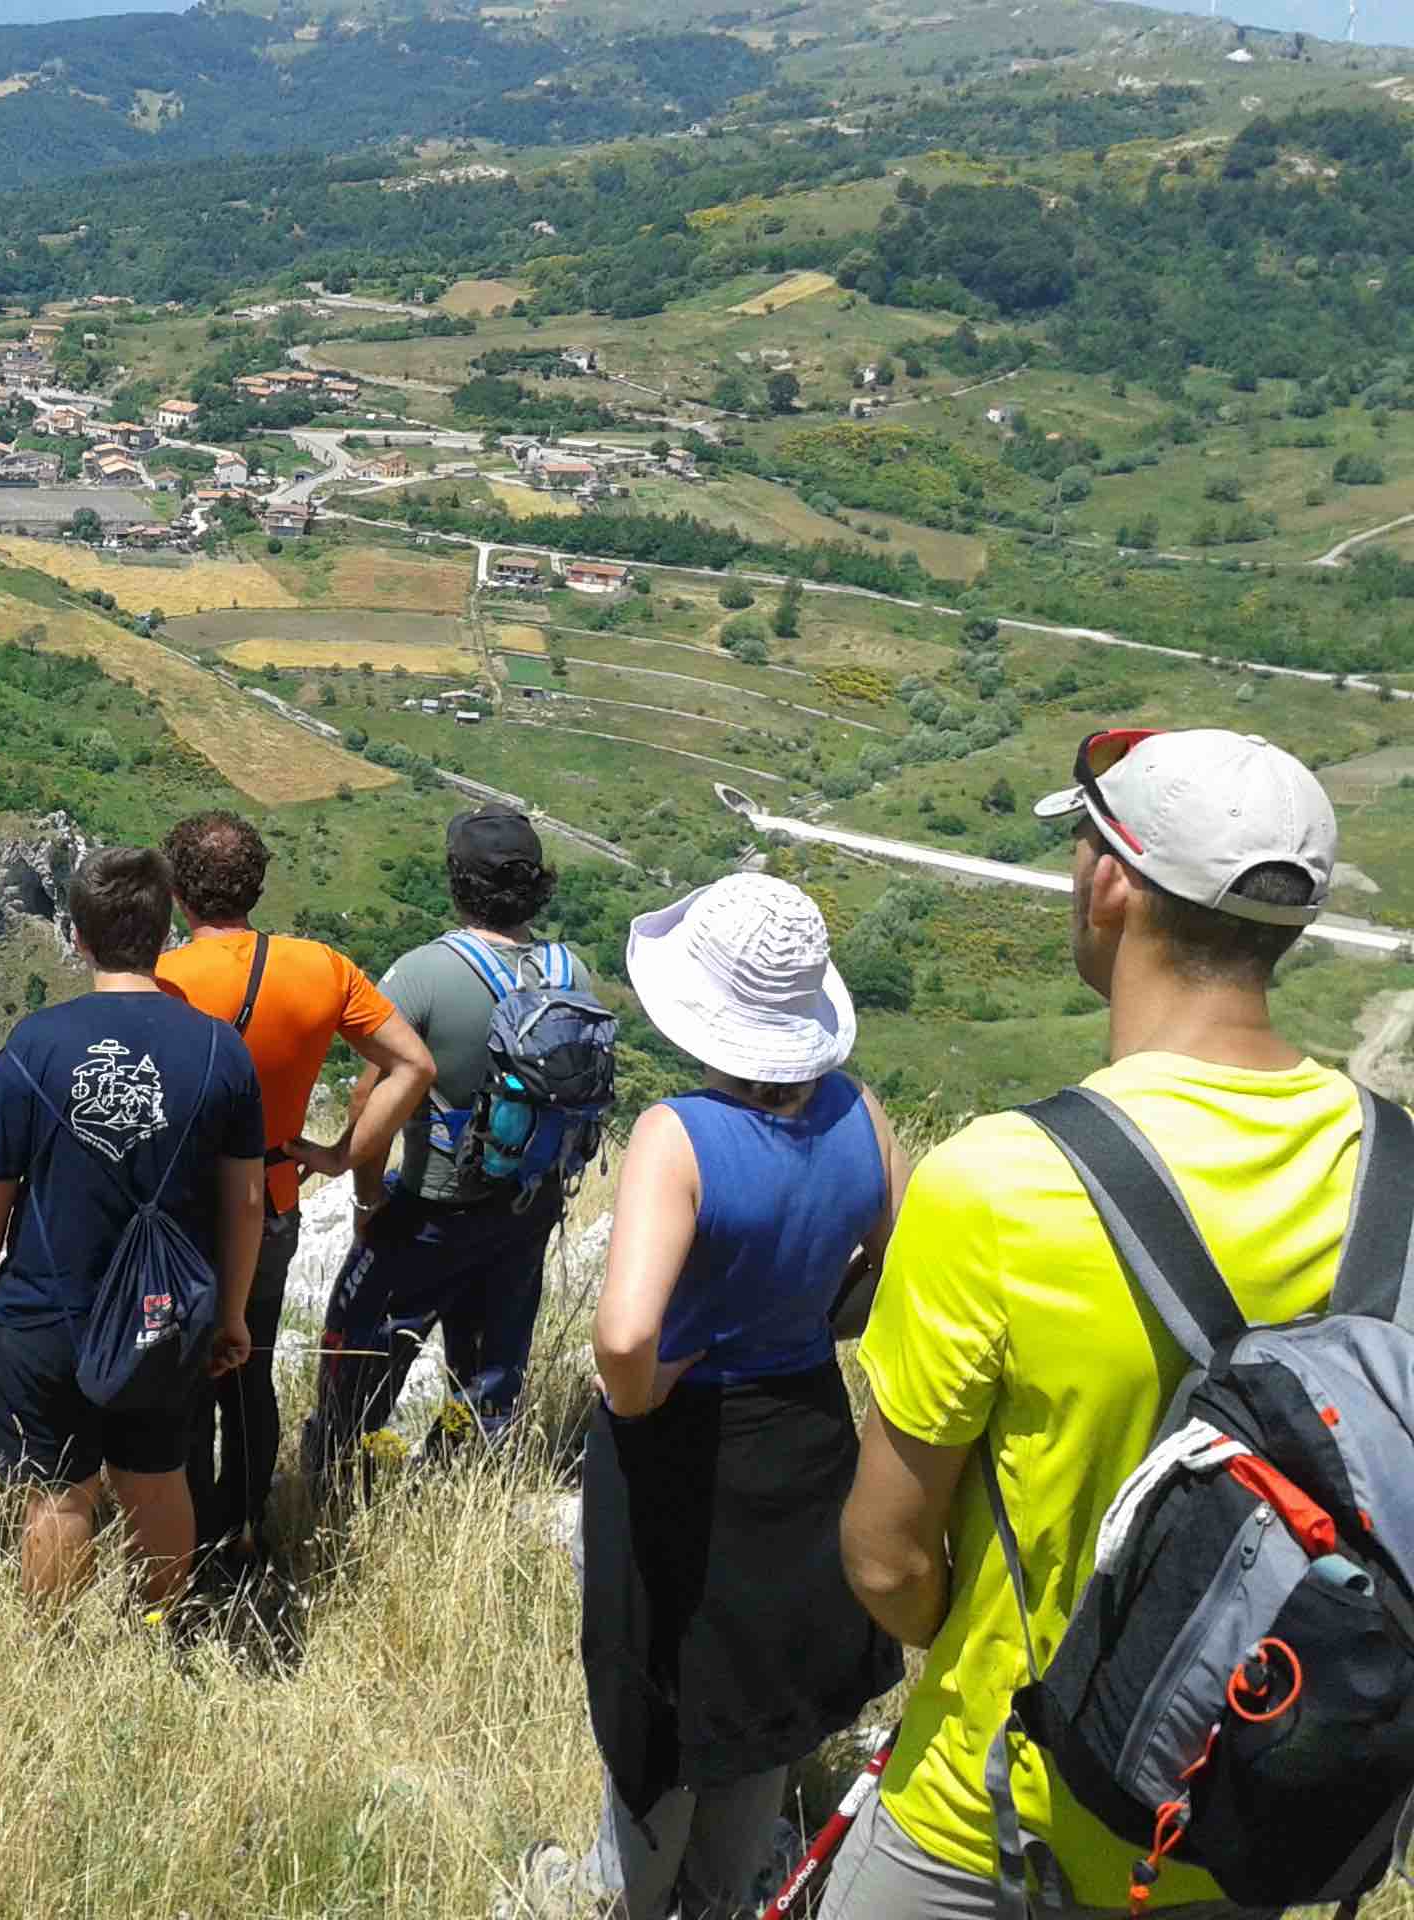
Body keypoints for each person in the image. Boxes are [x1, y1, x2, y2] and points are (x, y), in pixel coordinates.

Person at [830, 729, 1368, 1920]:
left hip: (993, 1817)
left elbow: (886, 1559)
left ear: (1110, 882)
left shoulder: (1000, 1182)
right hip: (1246, 1812)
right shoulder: (1394, 1174)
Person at [515, 874, 908, 1920]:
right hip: (804, 1427)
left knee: (654, 1673)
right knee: (764, 1674)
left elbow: (626, 1337)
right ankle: (727, 1890)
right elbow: (890, 1265)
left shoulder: (676, 1136)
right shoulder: (860, 1114)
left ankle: (628, 1892)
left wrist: (644, 1400)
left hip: (684, 1444)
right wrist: (821, 1318)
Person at [0, 846, 266, 1608]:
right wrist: (229, 1314)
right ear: (165, 935)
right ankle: (161, 1628)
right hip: (162, 1314)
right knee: (158, 1477)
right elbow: (246, 1200)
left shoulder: (36, 1043)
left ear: (78, 937)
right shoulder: (221, 1047)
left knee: (58, 1493)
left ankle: (58, 1655)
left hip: (46, 1307)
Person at [154, 810, 438, 1566]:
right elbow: (413, 1066)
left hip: (175, 1214)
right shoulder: (322, 968)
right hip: (273, 1203)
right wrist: (344, 1155)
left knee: (177, 1376)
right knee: (247, 1369)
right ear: (258, 883)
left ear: (180, 894)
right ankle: (243, 1527)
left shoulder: (162, 980)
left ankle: (178, 1540)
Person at [303, 807, 584, 1478]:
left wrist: (369, 1201)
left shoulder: (424, 973)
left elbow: (369, 1093)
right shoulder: (570, 971)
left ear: (458, 882)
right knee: (491, 1363)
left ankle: (339, 1471)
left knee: (363, 1345)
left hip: (432, 1208)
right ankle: (466, 1473)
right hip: (527, 1206)